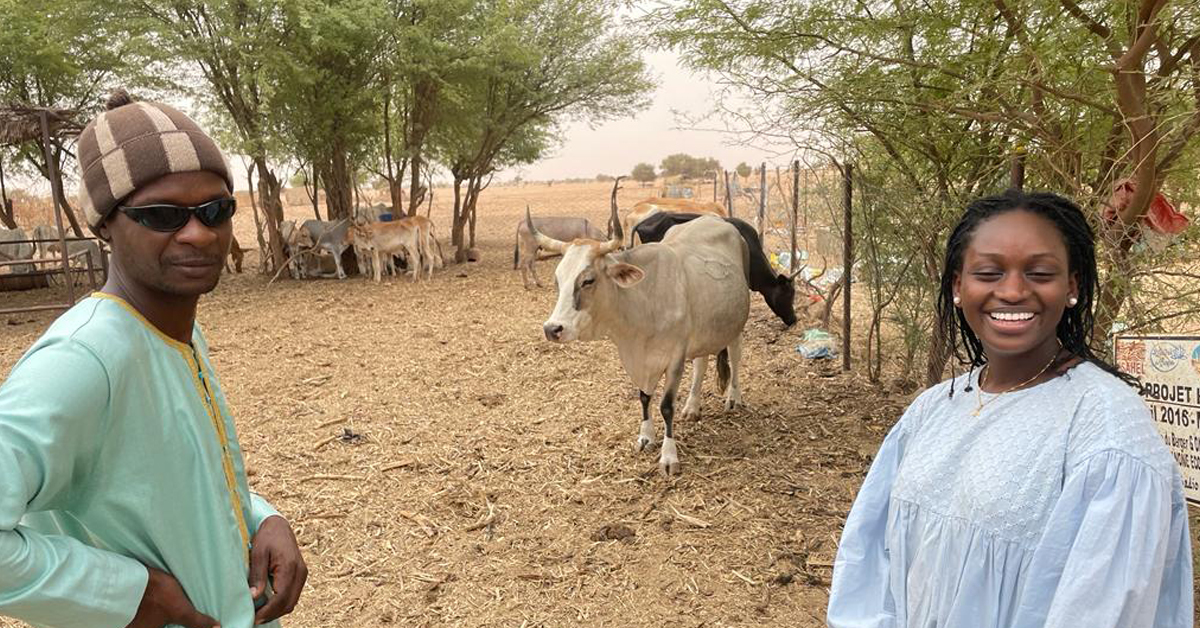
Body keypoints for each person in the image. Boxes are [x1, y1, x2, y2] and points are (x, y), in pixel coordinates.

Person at [0, 90, 307, 628]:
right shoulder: (83, 358)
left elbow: (177, 482)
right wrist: (128, 595)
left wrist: (262, 519)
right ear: (104, 226)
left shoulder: (172, 330)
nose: (199, 233)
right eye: (162, 215)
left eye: (216, 209)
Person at [827, 190, 1192, 627]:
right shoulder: (934, 408)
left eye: (1039, 272)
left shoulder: (1108, 431)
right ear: (958, 286)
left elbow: (1104, 610)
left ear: (1071, 285)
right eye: (988, 272)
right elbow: (871, 562)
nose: (1014, 291)